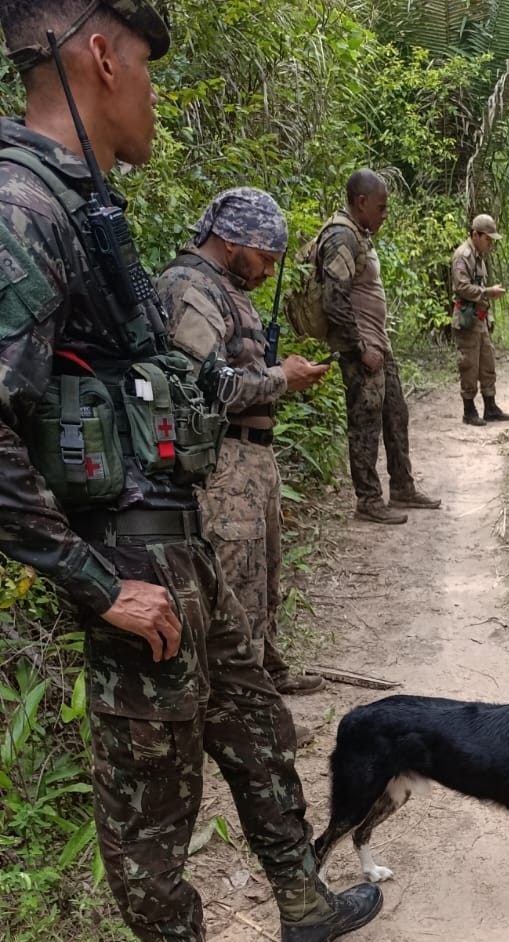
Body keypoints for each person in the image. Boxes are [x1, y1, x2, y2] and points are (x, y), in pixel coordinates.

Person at [0, 0, 382, 942]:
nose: (154, 93)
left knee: (253, 726)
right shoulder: (22, 205)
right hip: (128, 556)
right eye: (148, 65)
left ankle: (302, 899)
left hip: (178, 536)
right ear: (101, 56)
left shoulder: (83, 204)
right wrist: (93, 581)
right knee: (150, 790)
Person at [156, 187, 328, 697]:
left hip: (251, 456)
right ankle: (243, 704)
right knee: (236, 585)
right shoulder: (188, 287)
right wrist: (281, 377)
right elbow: (205, 386)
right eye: (265, 259)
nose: (268, 273)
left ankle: (267, 675)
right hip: (222, 462)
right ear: (232, 242)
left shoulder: (224, 289)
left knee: (264, 574)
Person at [315, 169, 441, 523]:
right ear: (362, 202)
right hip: (362, 350)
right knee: (366, 424)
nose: (385, 215)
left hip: (378, 345)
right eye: (382, 208)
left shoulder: (359, 235)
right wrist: (359, 347)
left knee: (395, 414)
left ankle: (402, 486)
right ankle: (368, 500)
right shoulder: (341, 237)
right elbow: (334, 301)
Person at [450, 213, 509, 425]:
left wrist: (489, 314)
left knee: (487, 364)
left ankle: (490, 407)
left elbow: (481, 286)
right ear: (475, 235)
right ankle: (469, 411)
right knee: (469, 365)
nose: (490, 244)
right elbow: (462, 287)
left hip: (480, 318)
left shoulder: (479, 257)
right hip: (467, 320)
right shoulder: (463, 255)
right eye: (488, 239)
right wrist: (487, 292)